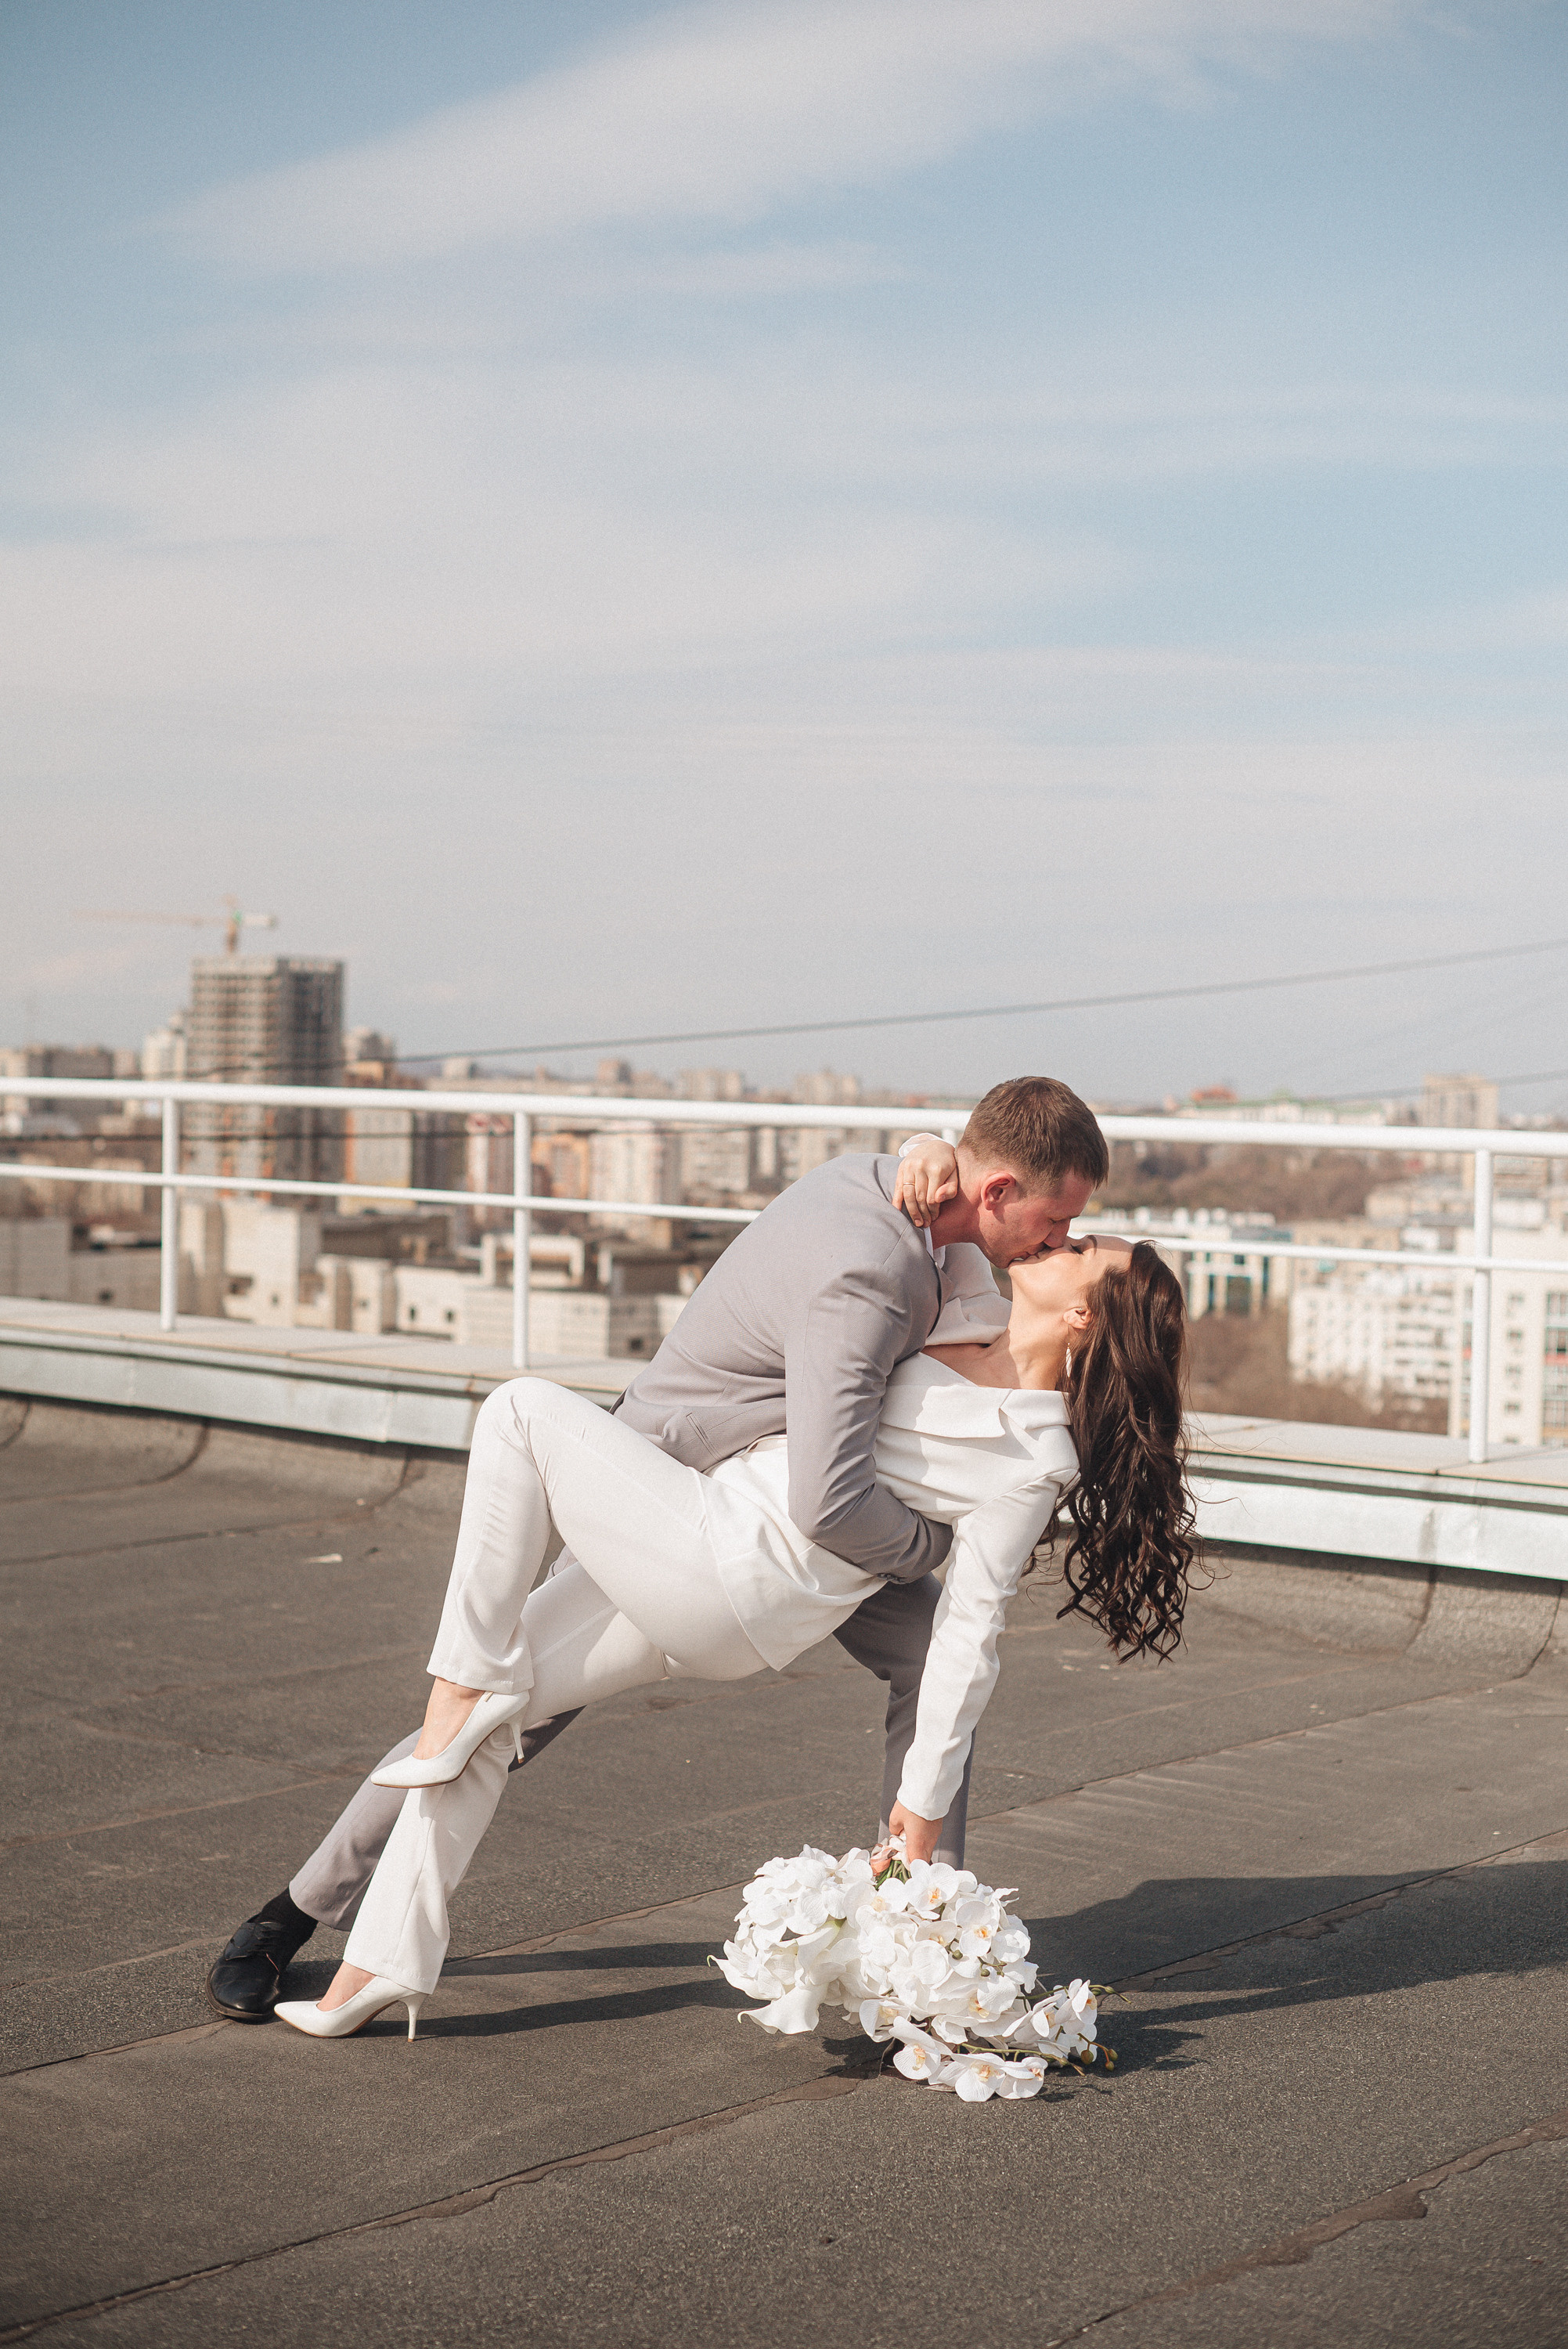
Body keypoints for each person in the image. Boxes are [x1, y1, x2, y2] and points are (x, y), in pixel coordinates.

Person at [207, 1077, 1108, 2025]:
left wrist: (923, 1140)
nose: (1057, 1242)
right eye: (1055, 1221)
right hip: (687, 1487)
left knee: (930, 1660)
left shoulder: (930, 1220)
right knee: (500, 1709)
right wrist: (927, 1544)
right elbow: (833, 1497)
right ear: (999, 1190)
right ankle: (293, 1915)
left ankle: (922, 1928)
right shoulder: (875, 1264)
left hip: (784, 1508)